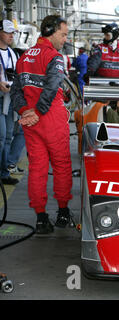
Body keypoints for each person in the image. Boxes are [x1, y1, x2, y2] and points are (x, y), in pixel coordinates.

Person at [11, 15, 73, 234]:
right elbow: (52, 86)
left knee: (37, 169)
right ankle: (63, 212)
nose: (65, 39)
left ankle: (40, 218)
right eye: (63, 34)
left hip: (30, 120)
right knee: (62, 166)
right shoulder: (55, 57)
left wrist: (25, 111)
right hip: (50, 118)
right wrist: (37, 112)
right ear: (51, 31)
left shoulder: (24, 56)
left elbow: (15, 90)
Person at [0, 20, 20, 185]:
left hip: (9, 98)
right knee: (1, 136)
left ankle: (4, 172)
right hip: (1, 99)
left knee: (7, 137)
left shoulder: (14, 54)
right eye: (8, 32)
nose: (11, 35)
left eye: (13, 33)